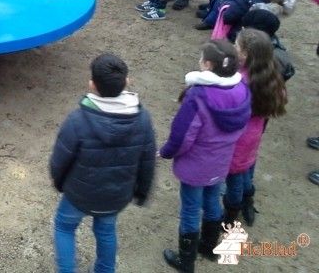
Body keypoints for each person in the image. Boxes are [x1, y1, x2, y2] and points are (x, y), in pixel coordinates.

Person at [49, 54, 156, 273]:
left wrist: (61, 185)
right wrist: (142, 192)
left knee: (64, 227)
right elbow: (147, 161)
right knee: (106, 231)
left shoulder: (77, 120)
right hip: (116, 196)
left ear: (91, 84)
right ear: (127, 82)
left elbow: (59, 160)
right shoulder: (142, 119)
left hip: (78, 194)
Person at [159, 40, 251, 272]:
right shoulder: (242, 89)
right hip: (221, 162)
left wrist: (166, 152)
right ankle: (209, 247)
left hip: (195, 166)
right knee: (212, 202)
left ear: (208, 65)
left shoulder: (198, 95)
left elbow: (182, 137)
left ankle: (186, 260)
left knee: (190, 209)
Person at [223, 29, 287, 229]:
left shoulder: (240, 82)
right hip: (254, 137)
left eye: (236, 47)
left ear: (245, 55)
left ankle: (230, 216)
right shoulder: (271, 77)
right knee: (247, 169)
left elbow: (227, 110)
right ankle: (248, 203)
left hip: (237, 140)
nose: (233, 49)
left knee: (233, 179)